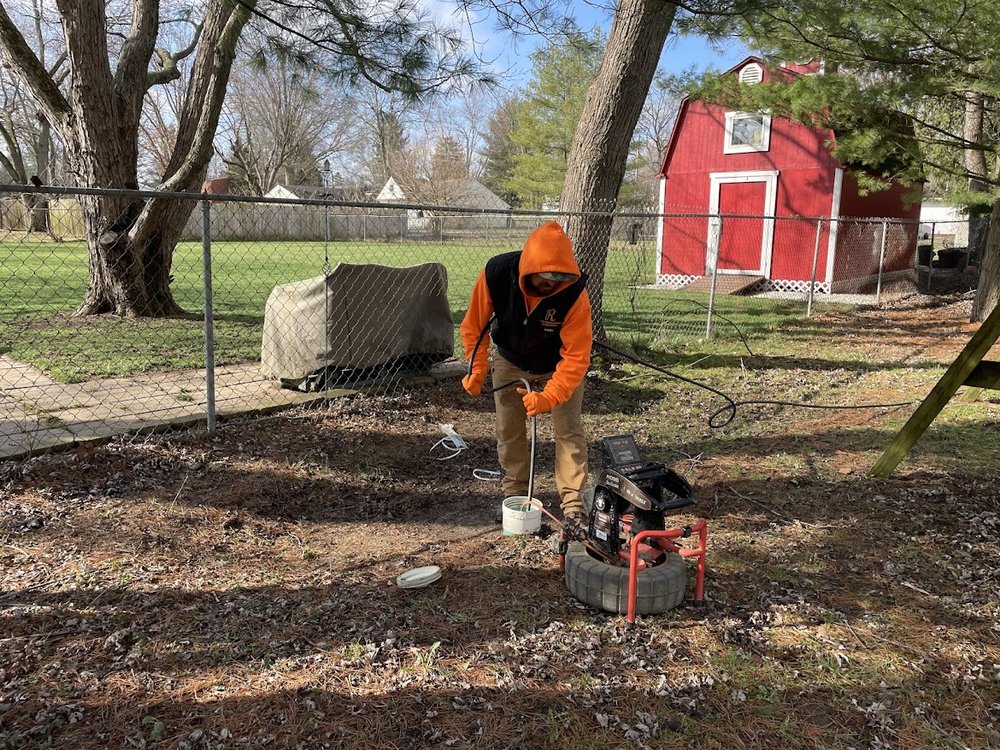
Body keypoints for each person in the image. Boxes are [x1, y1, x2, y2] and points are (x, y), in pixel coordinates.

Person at [460, 221, 592, 521]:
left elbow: (577, 357)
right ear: (530, 267)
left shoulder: (573, 292)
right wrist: (477, 367)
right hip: (510, 361)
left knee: (569, 431)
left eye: (560, 276)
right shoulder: (497, 272)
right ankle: (516, 494)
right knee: (509, 430)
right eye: (548, 276)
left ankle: (572, 502)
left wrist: (550, 396)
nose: (553, 284)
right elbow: (473, 325)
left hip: (557, 366)